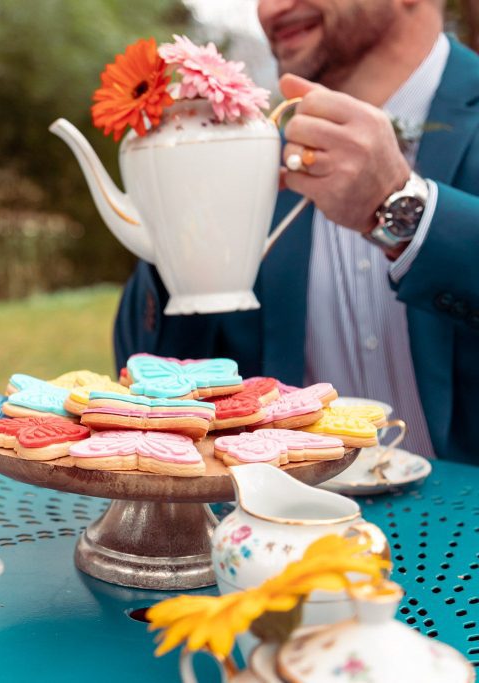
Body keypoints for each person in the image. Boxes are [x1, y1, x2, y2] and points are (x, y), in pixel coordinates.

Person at [113, 0, 479, 462]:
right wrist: (177, 205)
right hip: (284, 528)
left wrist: (403, 210)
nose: (271, 9)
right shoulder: (247, 152)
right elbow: (146, 378)